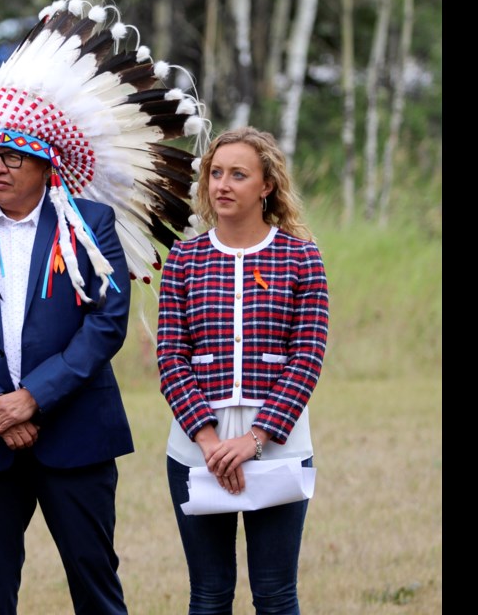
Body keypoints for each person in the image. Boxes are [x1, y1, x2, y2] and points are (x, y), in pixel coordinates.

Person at [0, 0, 206, 614]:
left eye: (12, 156)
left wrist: (34, 397)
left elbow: (106, 324)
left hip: (75, 433)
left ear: (46, 166)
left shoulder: (90, 225)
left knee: (96, 590)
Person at [156, 126, 330, 614]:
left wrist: (256, 439)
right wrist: (209, 443)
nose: (222, 185)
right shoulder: (185, 260)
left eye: (238, 174)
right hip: (195, 446)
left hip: (278, 445)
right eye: (216, 173)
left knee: (275, 595)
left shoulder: (300, 257)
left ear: (267, 185)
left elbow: (307, 356)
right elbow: (171, 356)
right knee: (209, 594)